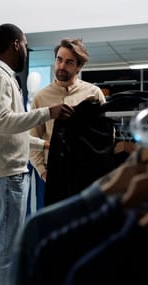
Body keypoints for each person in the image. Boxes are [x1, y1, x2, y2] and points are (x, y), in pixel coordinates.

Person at [0, 23, 74, 285]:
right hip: (6, 177)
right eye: (25, 45)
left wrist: (41, 144)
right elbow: (5, 123)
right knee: (4, 250)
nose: (26, 50)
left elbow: (6, 131)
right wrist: (48, 113)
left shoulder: (2, 77)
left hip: (9, 173)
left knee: (7, 248)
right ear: (15, 44)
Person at [29, 38, 106, 185]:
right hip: (51, 172)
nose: (61, 66)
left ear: (79, 67)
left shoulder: (93, 93)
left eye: (69, 62)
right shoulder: (40, 97)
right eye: (59, 60)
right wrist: (42, 172)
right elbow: (33, 138)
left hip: (86, 171)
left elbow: (106, 134)